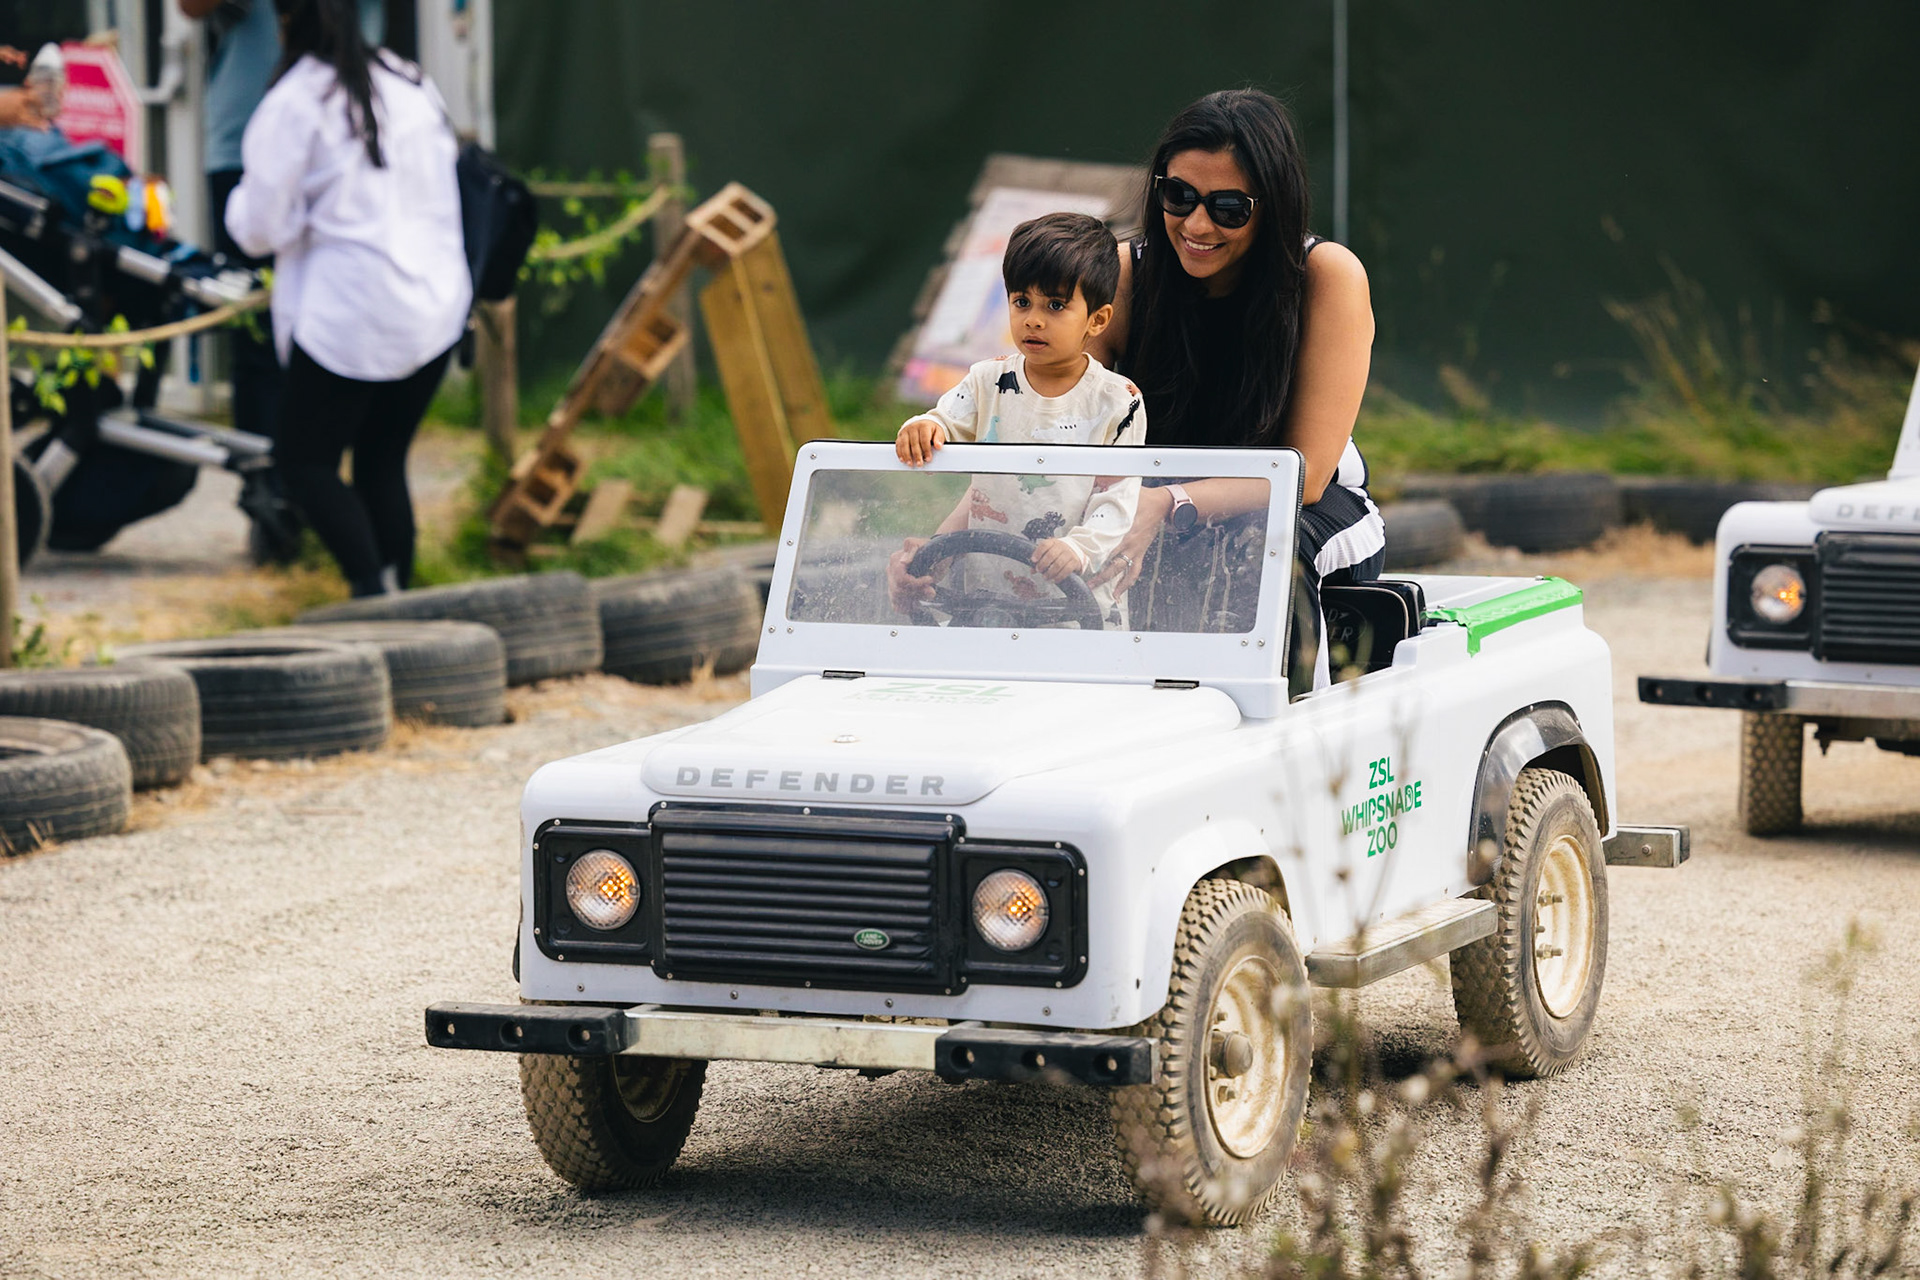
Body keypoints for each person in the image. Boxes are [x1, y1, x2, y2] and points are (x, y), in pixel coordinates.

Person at [1086, 89, 1383, 693]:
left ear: (1273, 207)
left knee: (1265, 552)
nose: (1197, 225)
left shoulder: (1327, 276)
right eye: (1179, 196)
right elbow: (1061, 433)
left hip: (1306, 510)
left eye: (1228, 208)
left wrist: (1167, 503)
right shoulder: (1126, 273)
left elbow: (1307, 477)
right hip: (1153, 503)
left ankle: (1291, 731)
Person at [225, 0, 469, 596]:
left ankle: (371, 590)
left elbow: (260, 229)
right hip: (434, 302)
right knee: (382, 460)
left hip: (349, 313)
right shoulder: (411, 83)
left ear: (286, 20)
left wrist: (241, 205)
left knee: (303, 463)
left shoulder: (297, 100)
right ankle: (399, 597)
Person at [890, 212, 1145, 628]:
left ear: (1097, 320)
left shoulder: (1119, 401)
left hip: (1075, 610)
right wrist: (923, 427)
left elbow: (1118, 499)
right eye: (1022, 301)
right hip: (986, 603)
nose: (1033, 319)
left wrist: (1079, 548)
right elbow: (945, 421)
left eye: (1056, 305)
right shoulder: (987, 380)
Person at [179, 0, 381, 450]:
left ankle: (322, 462)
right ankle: (264, 473)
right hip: (240, 139)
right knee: (253, 324)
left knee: (340, 314)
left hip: (346, 144)